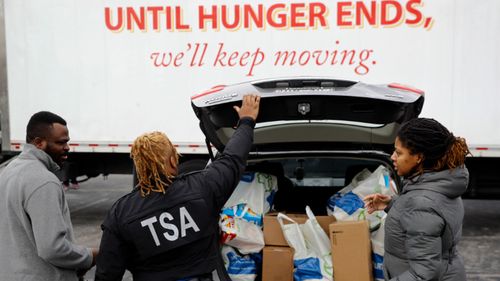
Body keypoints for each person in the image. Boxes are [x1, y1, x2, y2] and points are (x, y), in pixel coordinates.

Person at [94, 94, 261, 281]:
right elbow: (232, 159)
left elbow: (107, 273)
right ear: (173, 160)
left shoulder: (121, 213)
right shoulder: (203, 187)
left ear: (139, 167)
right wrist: (246, 121)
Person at [363, 118, 470, 281]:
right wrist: (393, 204)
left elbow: (423, 274)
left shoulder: (421, 203)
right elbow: (426, 219)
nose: (392, 157)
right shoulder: (441, 183)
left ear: (419, 157)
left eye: (398, 153)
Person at [0, 111, 98, 281]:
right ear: (39, 143)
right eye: (61, 143)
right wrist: (91, 256)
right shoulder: (44, 181)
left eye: (67, 142)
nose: (67, 147)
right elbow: (53, 248)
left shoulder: (8, 171)